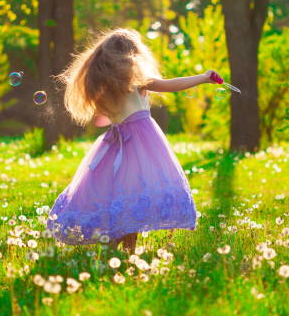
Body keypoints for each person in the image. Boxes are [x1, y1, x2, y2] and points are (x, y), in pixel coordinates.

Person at [46, 28, 222, 252]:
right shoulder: (138, 80)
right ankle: (122, 246)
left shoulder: (105, 87)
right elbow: (170, 85)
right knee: (135, 192)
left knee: (120, 192)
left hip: (116, 142)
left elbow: (101, 119)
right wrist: (205, 77)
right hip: (141, 140)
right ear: (132, 55)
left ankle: (117, 245)